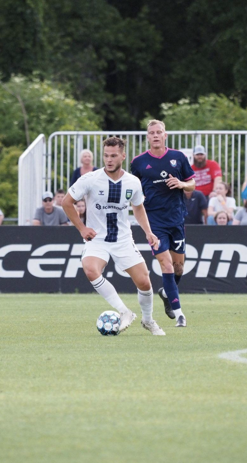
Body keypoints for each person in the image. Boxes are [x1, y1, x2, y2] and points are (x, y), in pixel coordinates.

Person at [62, 136, 165, 336]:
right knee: (90, 269)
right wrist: (82, 228)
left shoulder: (133, 182)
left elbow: (138, 207)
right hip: (98, 240)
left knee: (144, 282)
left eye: (113, 155)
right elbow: (67, 202)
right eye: (106, 155)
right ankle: (124, 311)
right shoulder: (90, 179)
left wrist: (148, 232)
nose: (109, 159)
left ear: (123, 156)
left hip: (123, 240)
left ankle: (148, 320)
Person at [130, 119, 196, 327]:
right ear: (148, 137)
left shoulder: (178, 157)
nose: (156, 135)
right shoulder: (138, 162)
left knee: (178, 267)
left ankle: (166, 293)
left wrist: (182, 183)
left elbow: (192, 184)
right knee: (165, 263)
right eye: (152, 133)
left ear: (165, 135)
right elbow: (133, 190)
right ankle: (179, 314)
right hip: (154, 223)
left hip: (176, 219)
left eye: (159, 132)